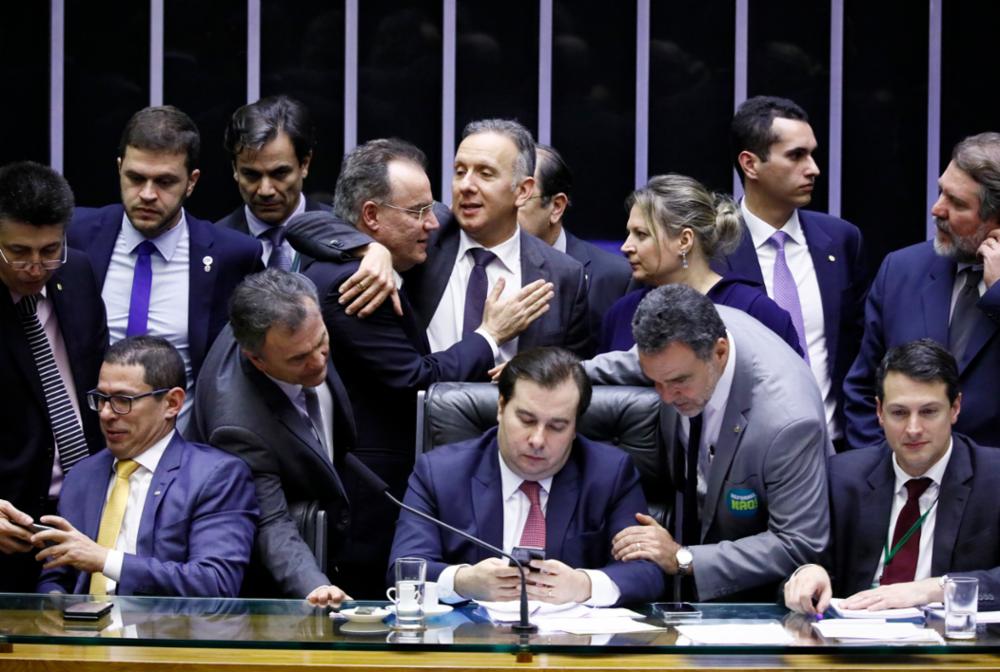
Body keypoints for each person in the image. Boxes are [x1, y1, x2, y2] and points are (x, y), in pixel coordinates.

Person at [287, 138, 552, 597]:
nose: (433, 221)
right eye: (417, 213)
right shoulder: (357, 283)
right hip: (376, 490)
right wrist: (489, 336)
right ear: (371, 216)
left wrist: (370, 247)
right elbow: (415, 380)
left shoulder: (412, 237)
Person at [588, 285, 830, 601]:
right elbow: (629, 363)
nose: (665, 396)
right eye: (655, 382)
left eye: (678, 382)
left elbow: (799, 541)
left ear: (719, 352)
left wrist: (682, 558)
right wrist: (559, 374)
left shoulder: (788, 422)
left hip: (757, 595)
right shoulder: (682, 343)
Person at [388, 347, 665, 606]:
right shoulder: (440, 473)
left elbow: (646, 573)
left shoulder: (610, 473)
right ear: (500, 408)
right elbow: (405, 570)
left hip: (573, 649)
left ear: (575, 426)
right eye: (526, 420)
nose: (537, 439)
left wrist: (584, 585)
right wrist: (462, 582)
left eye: (557, 426)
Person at [67, 105, 263, 428]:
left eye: (165, 182)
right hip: (87, 451)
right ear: (119, 169)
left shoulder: (234, 256)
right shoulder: (75, 236)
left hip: (184, 461)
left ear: (191, 182)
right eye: (135, 178)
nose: (147, 194)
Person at [785, 339, 1000, 615]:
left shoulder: (992, 478)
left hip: (952, 648)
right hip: (854, 644)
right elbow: (794, 560)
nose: (913, 428)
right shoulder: (840, 478)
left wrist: (933, 589)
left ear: (955, 408)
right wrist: (807, 573)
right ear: (879, 412)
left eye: (928, 412)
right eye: (899, 413)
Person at [34, 336, 258, 597]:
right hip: (81, 632)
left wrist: (106, 560)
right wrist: (54, 602)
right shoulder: (82, 475)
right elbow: (56, 576)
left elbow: (215, 583)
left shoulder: (216, 476)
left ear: (172, 403)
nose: (106, 413)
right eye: (102, 398)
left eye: (123, 400)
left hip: (167, 633)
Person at [189, 270, 354, 606]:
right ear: (257, 360)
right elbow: (272, 522)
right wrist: (314, 587)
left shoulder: (295, 301)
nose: (318, 360)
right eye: (298, 358)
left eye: (321, 341)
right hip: (270, 575)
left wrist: (371, 251)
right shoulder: (237, 426)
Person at [718, 96, 867, 451]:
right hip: (746, 456)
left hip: (837, 449)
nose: (814, 168)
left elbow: (860, 350)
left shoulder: (842, 240)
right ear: (750, 164)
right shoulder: (713, 251)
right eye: (796, 155)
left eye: (812, 154)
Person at [844, 132, 1000, 450]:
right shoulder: (901, 270)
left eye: (956, 203)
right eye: (942, 192)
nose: (937, 209)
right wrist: (882, 471)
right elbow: (863, 388)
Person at [0, 161, 108, 592]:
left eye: (49, 250)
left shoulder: (77, 273)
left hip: (84, 515)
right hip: (11, 520)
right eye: (18, 252)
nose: (35, 267)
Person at [409, 119, 591, 359]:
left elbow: (573, 374)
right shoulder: (423, 236)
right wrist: (371, 250)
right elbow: (351, 215)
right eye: (460, 171)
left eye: (485, 174)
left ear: (523, 191)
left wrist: (533, 375)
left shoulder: (564, 275)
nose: (465, 185)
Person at [599, 173, 803, 355]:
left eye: (641, 235)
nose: (626, 247)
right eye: (629, 234)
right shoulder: (622, 313)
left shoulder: (755, 311)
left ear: (685, 240)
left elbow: (788, 388)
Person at [518, 144, 632, 338]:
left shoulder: (615, 277)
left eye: (522, 197)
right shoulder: (478, 263)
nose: (506, 208)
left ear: (556, 207)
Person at [217, 95, 331, 268]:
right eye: (251, 175)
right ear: (235, 169)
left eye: (279, 173)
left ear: (305, 164)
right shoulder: (214, 245)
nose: (265, 190)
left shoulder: (348, 235)